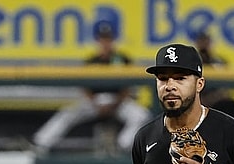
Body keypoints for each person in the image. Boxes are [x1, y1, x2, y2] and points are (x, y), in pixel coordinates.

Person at [31, 21, 151, 155]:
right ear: (98, 40)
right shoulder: (91, 60)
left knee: (141, 115)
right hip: (96, 101)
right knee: (68, 113)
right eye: (102, 38)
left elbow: (129, 86)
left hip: (119, 101)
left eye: (108, 38)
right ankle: (41, 142)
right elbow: (85, 87)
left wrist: (116, 103)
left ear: (113, 40)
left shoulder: (123, 58)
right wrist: (95, 103)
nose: (105, 42)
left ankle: (123, 146)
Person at [194, 32, 234, 118]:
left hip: (217, 101)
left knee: (230, 104)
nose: (204, 45)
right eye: (202, 41)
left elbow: (226, 89)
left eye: (206, 42)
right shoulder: (192, 62)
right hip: (197, 99)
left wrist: (212, 98)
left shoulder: (219, 62)